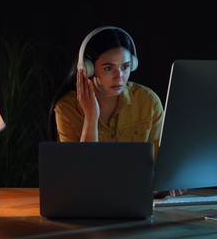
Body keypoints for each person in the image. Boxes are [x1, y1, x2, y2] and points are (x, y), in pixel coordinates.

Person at [47, 26, 185, 197]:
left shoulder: (148, 102)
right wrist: (91, 117)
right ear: (88, 69)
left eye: (125, 66)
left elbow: (159, 168)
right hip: (89, 202)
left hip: (138, 201)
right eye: (108, 68)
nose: (119, 76)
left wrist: (171, 180)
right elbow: (81, 178)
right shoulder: (66, 109)